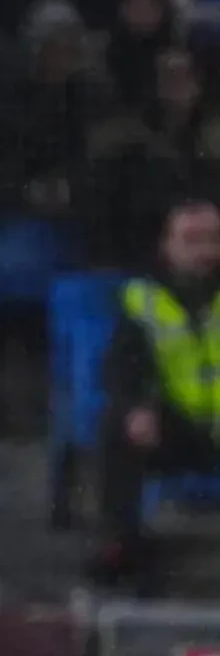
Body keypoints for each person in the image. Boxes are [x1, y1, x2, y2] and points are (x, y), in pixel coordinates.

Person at [98, 197, 220, 583]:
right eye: (192, 240)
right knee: (116, 430)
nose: (205, 252)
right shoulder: (142, 297)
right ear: (167, 245)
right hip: (177, 428)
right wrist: (135, 409)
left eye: (213, 240)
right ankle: (121, 547)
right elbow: (120, 367)